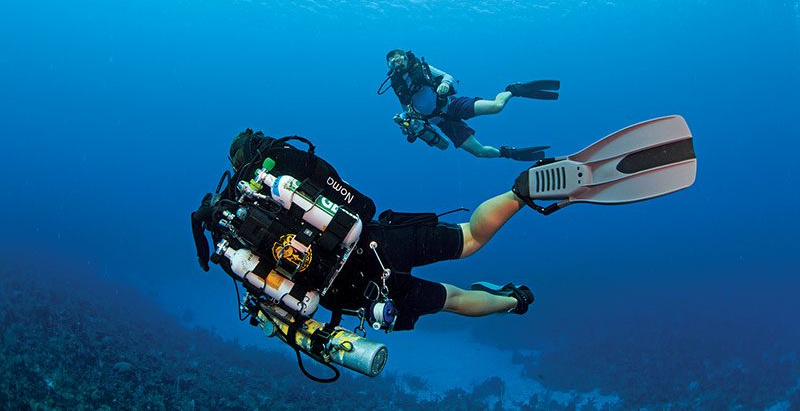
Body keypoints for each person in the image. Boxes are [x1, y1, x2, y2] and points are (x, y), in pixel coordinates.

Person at [194, 116, 696, 335]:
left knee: (454, 300)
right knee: (469, 239)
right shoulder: (285, 164)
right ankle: (520, 193)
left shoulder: (230, 230)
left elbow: (273, 305)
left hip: (355, 299)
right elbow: (358, 203)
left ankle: (513, 301)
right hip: (375, 244)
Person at [378, 49, 561, 161]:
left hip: (453, 104)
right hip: (441, 122)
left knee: (497, 107)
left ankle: (513, 90)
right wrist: (406, 122)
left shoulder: (421, 67)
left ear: (406, 58)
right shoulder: (397, 85)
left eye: (399, 58)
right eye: (392, 61)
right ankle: (508, 153)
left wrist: (445, 84)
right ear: (389, 65)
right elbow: (406, 108)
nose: (396, 62)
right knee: (479, 152)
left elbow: (447, 76)